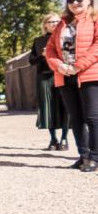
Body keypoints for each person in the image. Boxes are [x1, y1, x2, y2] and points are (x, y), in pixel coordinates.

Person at [45, 0, 98, 171]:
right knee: (76, 118)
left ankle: (95, 158)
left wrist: (78, 66)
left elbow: (97, 46)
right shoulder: (62, 23)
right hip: (64, 75)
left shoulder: (95, 19)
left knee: (93, 118)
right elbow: (50, 49)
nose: (75, 3)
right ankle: (83, 156)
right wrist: (59, 66)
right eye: (70, 0)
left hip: (89, 75)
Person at [28, 12, 69, 150]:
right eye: (51, 22)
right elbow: (32, 61)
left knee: (66, 107)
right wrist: (42, 55)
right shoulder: (38, 41)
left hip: (63, 75)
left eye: (57, 21)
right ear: (45, 25)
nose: (55, 24)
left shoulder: (66, 37)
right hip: (45, 77)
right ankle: (53, 139)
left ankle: (64, 139)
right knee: (48, 108)